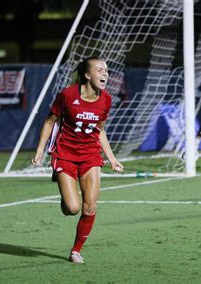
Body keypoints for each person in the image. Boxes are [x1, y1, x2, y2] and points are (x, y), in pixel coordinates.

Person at [31, 56, 124, 264]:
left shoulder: (106, 99)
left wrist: (112, 158)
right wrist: (40, 151)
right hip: (65, 153)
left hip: (90, 154)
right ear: (87, 75)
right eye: (100, 70)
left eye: (106, 70)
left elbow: (99, 130)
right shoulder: (67, 95)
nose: (105, 74)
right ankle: (66, 199)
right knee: (72, 208)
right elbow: (49, 121)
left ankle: (76, 251)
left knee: (90, 206)